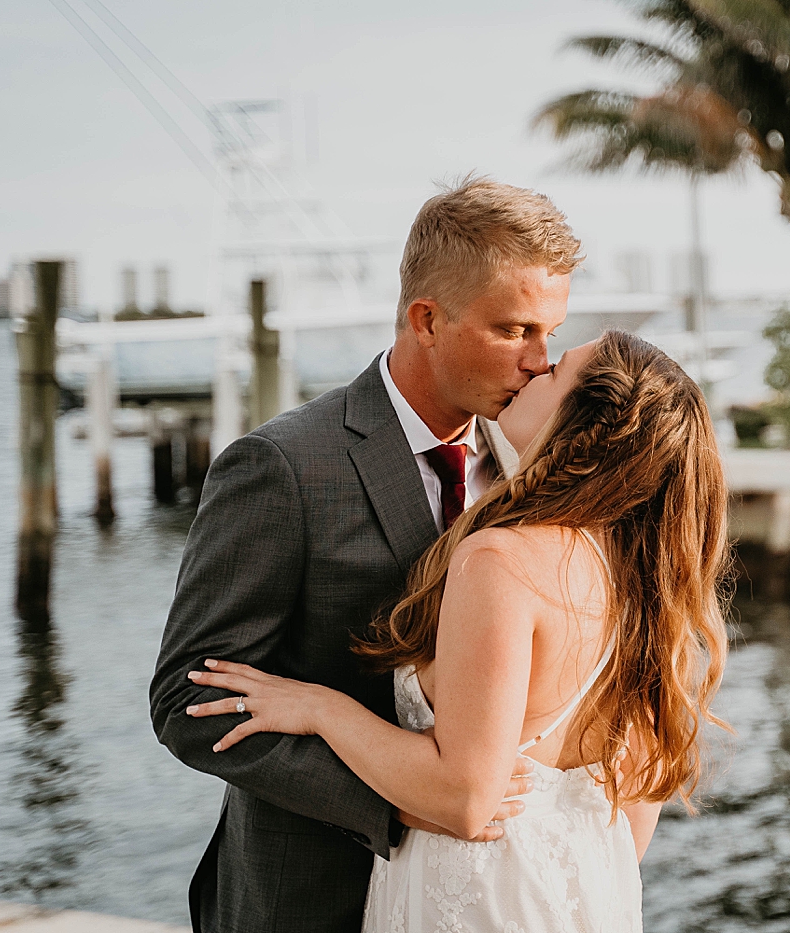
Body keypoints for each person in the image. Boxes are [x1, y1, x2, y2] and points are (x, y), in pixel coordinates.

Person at [184, 330, 731, 932]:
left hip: (476, 899)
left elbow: (466, 799)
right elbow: (632, 817)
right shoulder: (638, 581)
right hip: (582, 895)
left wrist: (320, 709)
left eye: (558, 368)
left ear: (587, 426)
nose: (538, 363)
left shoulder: (499, 559)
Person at [150, 177, 582, 933]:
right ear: (427, 320)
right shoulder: (281, 466)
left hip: (481, 897)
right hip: (312, 898)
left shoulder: (526, 468)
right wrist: (401, 801)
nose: (540, 362)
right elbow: (190, 701)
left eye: (550, 333)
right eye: (515, 330)